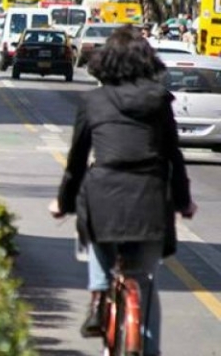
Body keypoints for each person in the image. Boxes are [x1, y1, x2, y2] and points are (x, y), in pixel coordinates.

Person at [50, 26, 197, 355]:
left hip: (103, 198)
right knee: (144, 283)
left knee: (95, 229)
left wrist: (63, 202)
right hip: (151, 200)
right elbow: (174, 157)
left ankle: (99, 294)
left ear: (105, 62)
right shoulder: (160, 101)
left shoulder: (92, 101)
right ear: (148, 63)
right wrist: (184, 203)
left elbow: (76, 160)